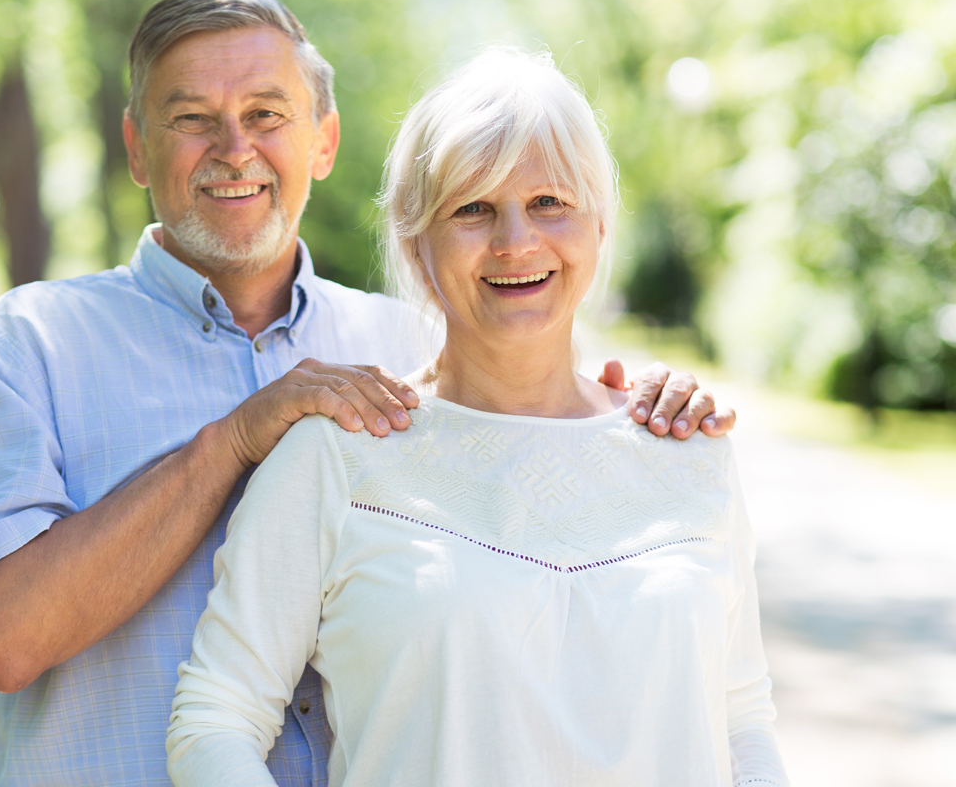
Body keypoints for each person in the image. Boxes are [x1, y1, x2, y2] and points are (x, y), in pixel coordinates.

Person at [0, 0, 733, 785]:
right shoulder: (34, 342)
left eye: (267, 114)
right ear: (137, 147)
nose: (235, 149)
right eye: (191, 119)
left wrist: (635, 432)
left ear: (323, 139)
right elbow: (5, 641)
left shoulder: (410, 342)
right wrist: (234, 441)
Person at [166, 47, 787, 786]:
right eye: (473, 209)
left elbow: (742, 720)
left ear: (597, 226)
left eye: (550, 202)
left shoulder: (688, 449)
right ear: (416, 242)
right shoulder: (337, 457)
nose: (516, 242)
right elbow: (215, 720)